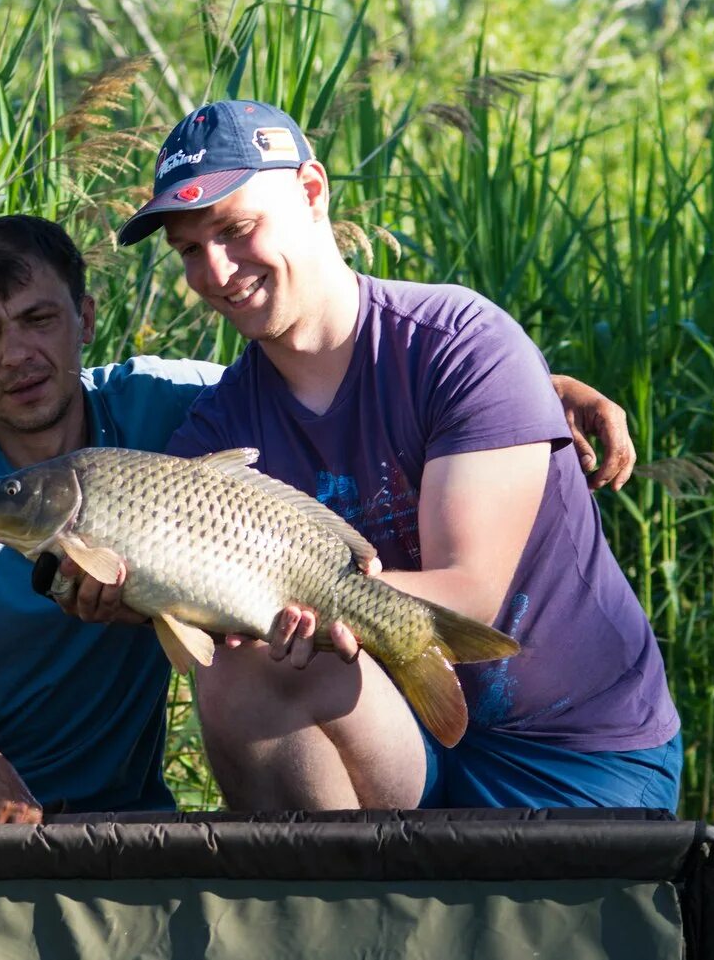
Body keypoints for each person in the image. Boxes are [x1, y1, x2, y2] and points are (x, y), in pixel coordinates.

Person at [0, 210, 637, 824]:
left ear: (85, 318)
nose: (16, 354)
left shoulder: (162, 413)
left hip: (109, 812)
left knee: (251, 673)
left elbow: (329, 378)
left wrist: (530, 386)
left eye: (38, 319)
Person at [92, 99, 681, 813]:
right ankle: (336, 911)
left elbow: (471, 594)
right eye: (189, 249)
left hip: (576, 753)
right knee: (238, 674)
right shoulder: (217, 427)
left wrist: (536, 382)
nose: (214, 270)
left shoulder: (462, 343)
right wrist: (119, 590)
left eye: (235, 229)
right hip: (401, 747)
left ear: (312, 192)